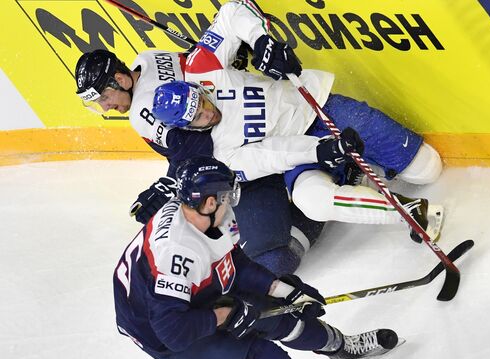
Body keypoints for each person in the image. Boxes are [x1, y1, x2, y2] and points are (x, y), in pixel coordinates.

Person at [113, 156, 401, 359]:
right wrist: (226, 315)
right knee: (264, 358)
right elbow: (173, 332)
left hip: (191, 294)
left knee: (285, 314)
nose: (233, 201)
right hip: (160, 332)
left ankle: (341, 348)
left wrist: (283, 291)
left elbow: (234, 263)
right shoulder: (177, 253)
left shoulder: (206, 216)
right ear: (210, 202)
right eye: (228, 195)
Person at [151, 0, 444, 242]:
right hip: (301, 151)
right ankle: (407, 211)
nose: (208, 112)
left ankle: (359, 166)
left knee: (428, 168)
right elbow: (271, 155)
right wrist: (320, 150)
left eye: (202, 101)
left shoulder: (201, 68)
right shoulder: (220, 153)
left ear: (198, 90)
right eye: (199, 117)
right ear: (187, 127)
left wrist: (261, 41)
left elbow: (232, 11)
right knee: (313, 201)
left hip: (315, 105)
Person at [74, 48, 325, 276]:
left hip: (245, 156)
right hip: (264, 113)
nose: (106, 108)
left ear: (120, 80)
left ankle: (315, 209)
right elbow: (198, 58)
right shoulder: (150, 58)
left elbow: (200, 147)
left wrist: (167, 185)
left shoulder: (142, 111)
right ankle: (317, 185)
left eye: (104, 99)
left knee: (268, 261)